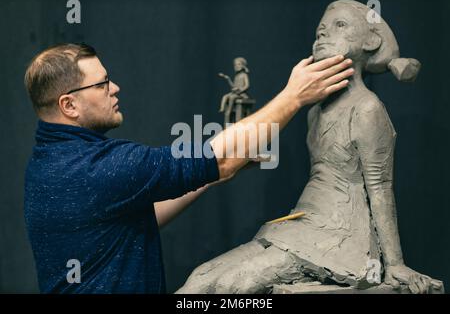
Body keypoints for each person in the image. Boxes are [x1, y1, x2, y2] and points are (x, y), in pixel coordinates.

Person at [23, 42, 353, 293]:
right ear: (69, 105)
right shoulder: (99, 168)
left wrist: (209, 177)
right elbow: (219, 158)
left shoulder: (48, 161)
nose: (115, 88)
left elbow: (136, 219)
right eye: (102, 84)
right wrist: (294, 96)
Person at [177, 0, 443, 295]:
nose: (323, 34)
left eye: (339, 25)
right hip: (301, 224)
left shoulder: (367, 108)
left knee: (234, 284)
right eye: (320, 29)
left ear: (371, 41)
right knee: (200, 278)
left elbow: (380, 187)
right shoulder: (314, 112)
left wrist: (394, 264)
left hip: (340, 237)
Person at [218, 57, 250, 124]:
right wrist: (228, 79)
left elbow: (247, 86)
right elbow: (233, 86)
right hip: (235, 92)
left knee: (232, 98)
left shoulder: (244, 75)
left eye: (238, 64)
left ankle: (229, 110)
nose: (236, 66)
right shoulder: (236, 76)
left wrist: (240, 89)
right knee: (225, 96)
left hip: (241, 94)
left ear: (243, 65)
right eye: (235, 65)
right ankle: (222, 108)